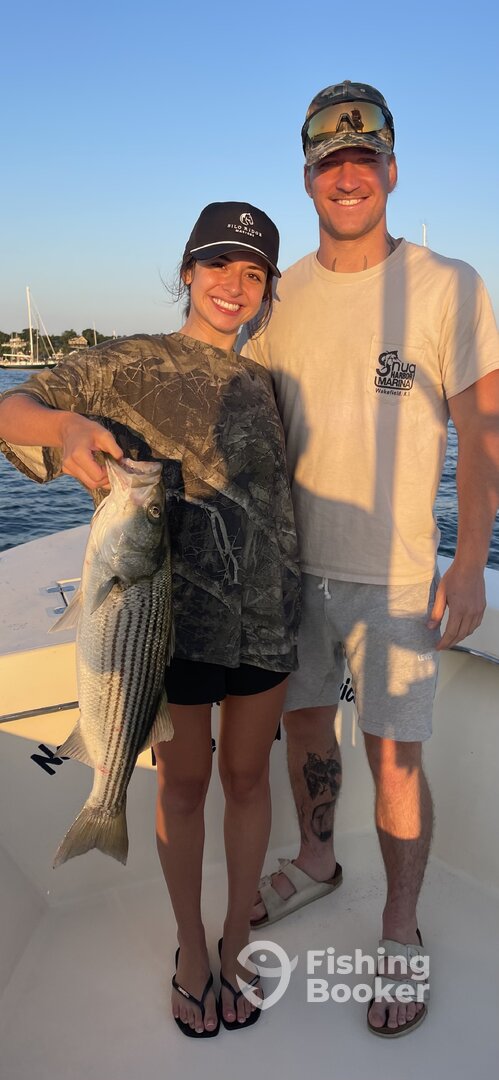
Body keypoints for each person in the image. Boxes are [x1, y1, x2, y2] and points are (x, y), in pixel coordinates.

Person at [0, 201, 301, 1038]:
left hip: (269, 617)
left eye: (252, 273)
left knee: (249, 781)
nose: (233, 285)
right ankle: (190, 949)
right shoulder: (128, 362)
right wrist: (65, 426)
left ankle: (236, 937)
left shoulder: (266, 380)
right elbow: (12, 409)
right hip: (168, 623)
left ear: (268, 289)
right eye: (218, 265)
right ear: (186, 271)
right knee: (184, 784)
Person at [242, 81, 499, 1037]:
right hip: (289, 574)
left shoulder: (448, 284)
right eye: (329, 163)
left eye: (363, 159)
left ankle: (399, 927)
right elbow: (243, 431)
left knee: (395, 758)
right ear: (306, 176)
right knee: (305, 726)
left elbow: (483, 436)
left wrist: (467, 562)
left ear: (392, 170)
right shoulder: (277, 299)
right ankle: (317, 861)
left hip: (394, 578)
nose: (346, 176)